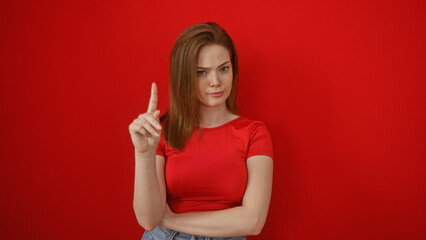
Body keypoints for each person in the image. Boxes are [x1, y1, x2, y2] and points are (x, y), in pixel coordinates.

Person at [129, 22, 274, 240]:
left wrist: (171, 220)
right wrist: (143, 154)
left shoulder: (254, 133)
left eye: (223, 69)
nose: (216, 82)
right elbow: (149, 219)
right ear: (184, 76)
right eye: (201, 73)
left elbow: (253, 221)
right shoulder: (161, 131)